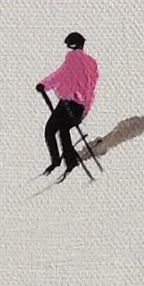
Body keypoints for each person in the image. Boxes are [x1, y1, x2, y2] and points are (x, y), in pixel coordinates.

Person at [37, 31, 99, 177]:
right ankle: (69, 159)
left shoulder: (72, 59)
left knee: (51, 129)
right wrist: (85, 109)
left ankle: (58, 161)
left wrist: (43, 85)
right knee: (63, 129)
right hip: (81, 106)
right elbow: (91, 88)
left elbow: (59, 75)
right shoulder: (92, 63)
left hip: (68, 103)